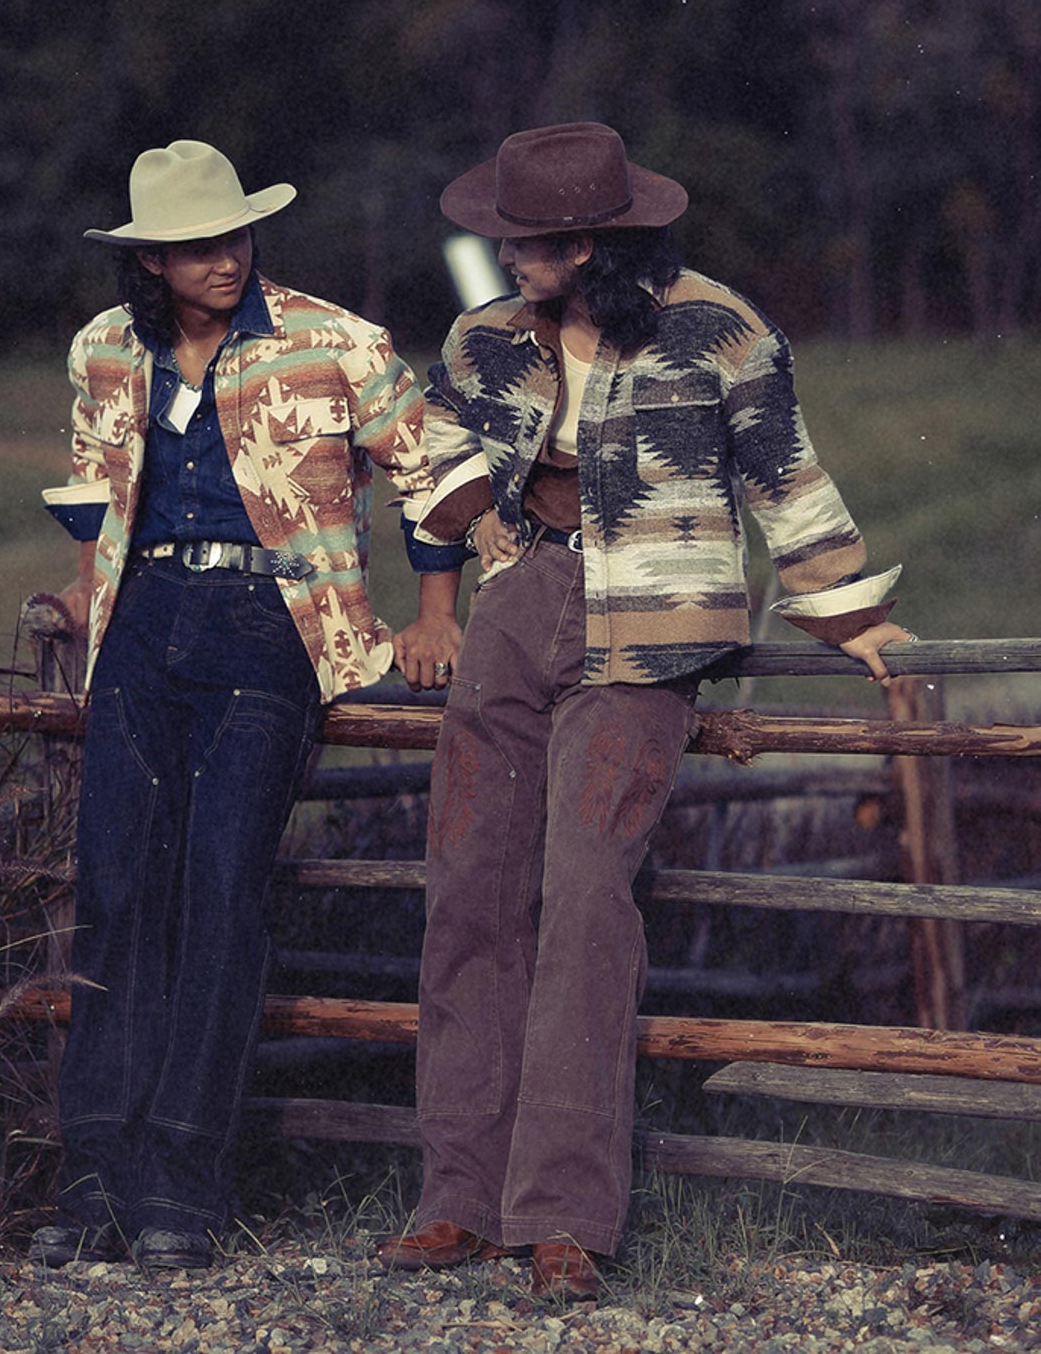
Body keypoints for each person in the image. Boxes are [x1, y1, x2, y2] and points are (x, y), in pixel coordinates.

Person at [382, 122, 912, 1300]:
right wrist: (492, 540)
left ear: (590, 241)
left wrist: (843, 612)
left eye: (528, 244)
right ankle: (455, 1196)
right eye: (505, 239)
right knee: (468, 880)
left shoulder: (716, 331)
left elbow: (784, 473)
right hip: (524, 603)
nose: (506, 259)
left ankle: (560, 1214)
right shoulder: (482, 338)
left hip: (655, 625)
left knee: (582, 894)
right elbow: (423, 447)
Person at [31, 139, 462, 1270]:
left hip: (274, 623)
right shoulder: (105, 348)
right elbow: (92, 488)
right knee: (118, 888)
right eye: (193, 246)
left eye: (232, 235)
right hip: (140, 628)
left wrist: (431, 617)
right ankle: (90, 1185)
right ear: (152, 260)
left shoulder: (333, 339)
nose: (222, 260)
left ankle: (182, 1186)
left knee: (222, 887)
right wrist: (87, 597)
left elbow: (435, 474)